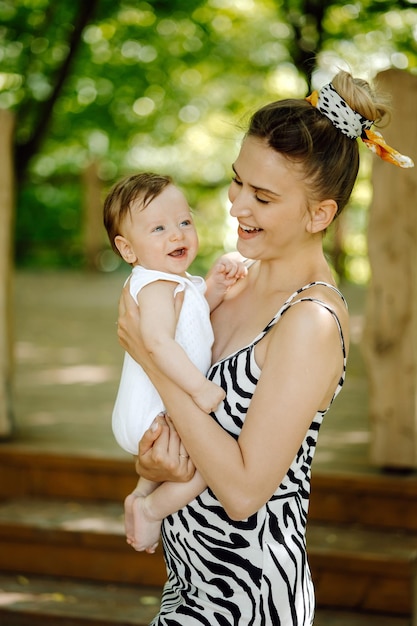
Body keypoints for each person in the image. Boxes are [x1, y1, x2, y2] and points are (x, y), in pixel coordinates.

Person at [117, 70, 414, 625]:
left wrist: (154, 358)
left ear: (318, 215)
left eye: (263, 196)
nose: (236, 206)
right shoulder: (233, 279)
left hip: (250, 595)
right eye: (237, 182)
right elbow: (193, 429)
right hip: (188, 582)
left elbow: (245, 491)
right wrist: (152, 463)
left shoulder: (310, 321)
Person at [103, 172, 247, 553]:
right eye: (159, 228)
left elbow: (192, 320)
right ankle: (152, 510)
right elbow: (156, 342)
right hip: (153, 412)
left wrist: (213, 287)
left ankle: (139, 496)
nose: (178, 235)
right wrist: (200, 389)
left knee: (201, 455)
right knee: (213, 462)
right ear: (128, 249)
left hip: (155, 410)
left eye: (185, 222)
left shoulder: (174, 282)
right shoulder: (154, 286)